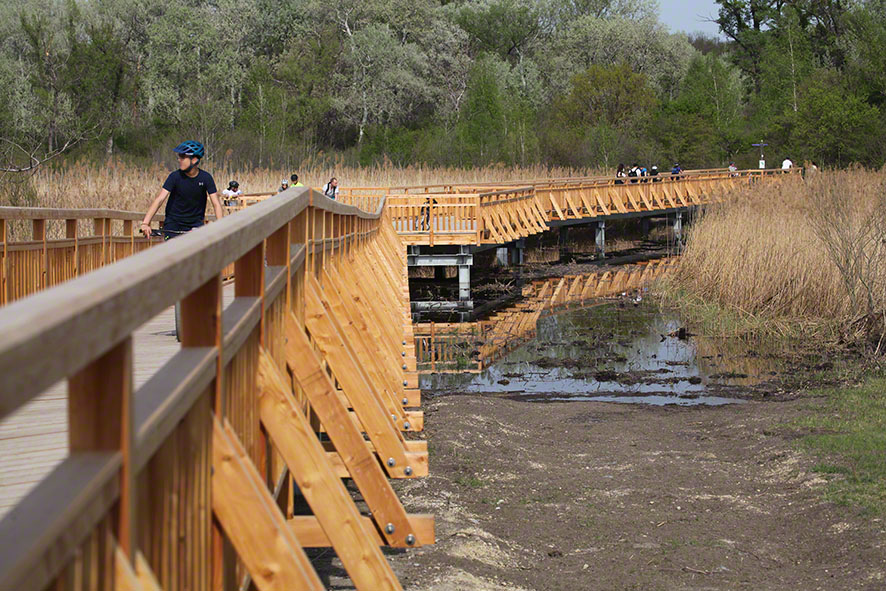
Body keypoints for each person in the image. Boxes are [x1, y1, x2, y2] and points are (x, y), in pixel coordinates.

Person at [140, 140, 224, 241]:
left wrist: (221, 226)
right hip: (173, 224)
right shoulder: (175, 177)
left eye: (183, 157)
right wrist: (145, 223)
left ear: (194, 160)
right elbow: (159, 199)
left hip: (195, 225)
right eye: (179, 156)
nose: (179, 159)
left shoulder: (206, 178)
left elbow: (216, 204)